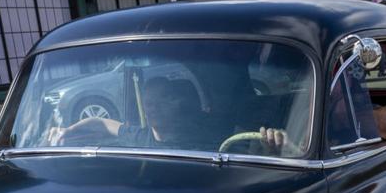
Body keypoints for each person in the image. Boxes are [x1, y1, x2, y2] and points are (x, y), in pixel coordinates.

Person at [47, 76, 304, 156]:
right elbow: (102, 124)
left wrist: (279, 145)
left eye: (162, 101)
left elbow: (250, 157)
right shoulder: (139, 136)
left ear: (183, 104)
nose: (152, 108)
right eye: (149, 102)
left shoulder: (215, 139)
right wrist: (67, 132)